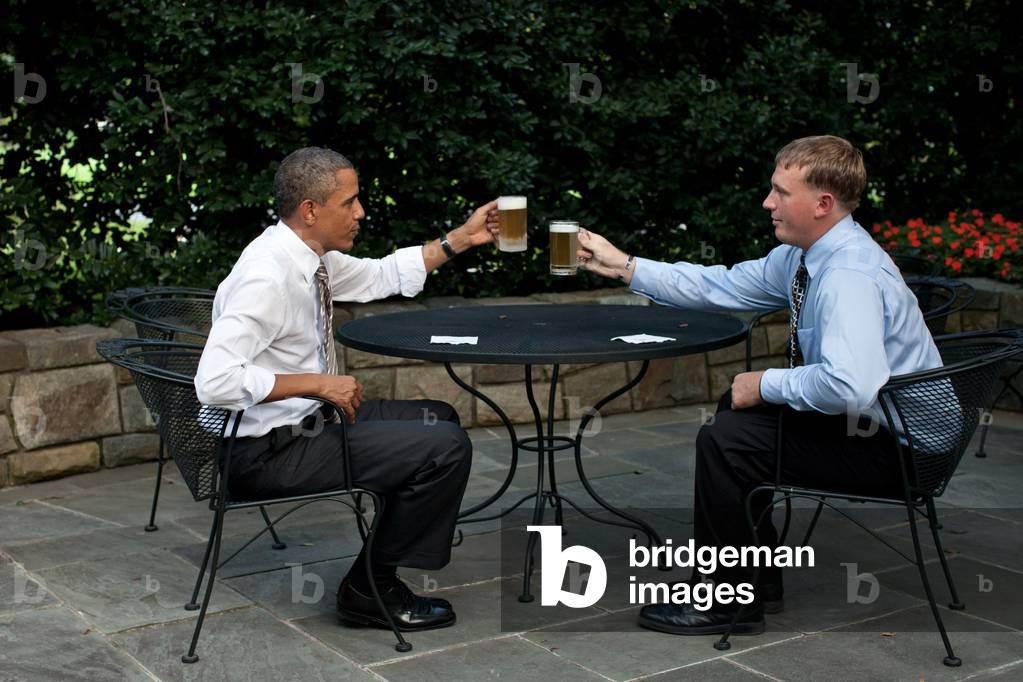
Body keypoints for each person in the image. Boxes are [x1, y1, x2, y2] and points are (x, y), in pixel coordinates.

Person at [577, 135, 941, 636]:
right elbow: (719, 285)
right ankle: (754, 580)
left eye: (780, 192)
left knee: (728, 441)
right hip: (872, 424)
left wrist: (765, 382)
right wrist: (624, 265)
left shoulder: (847, 275)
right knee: (734, 415)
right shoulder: (804, 257)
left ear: (822, 204)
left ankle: (726, 602)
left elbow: (849, 386)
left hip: (901, 449)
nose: (767, 202)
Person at [195, 146, 498, 632]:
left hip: (303, 430)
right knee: (443, 448)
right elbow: (214, 380)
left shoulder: (308, 257)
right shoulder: (268, 275)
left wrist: (462, 238)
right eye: (350, 202)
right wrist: (319, 384)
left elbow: (382, 275)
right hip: (265, 454)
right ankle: (369, 589)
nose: (360, 212)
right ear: (310, 210)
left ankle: (391, 533)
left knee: (439, 417)